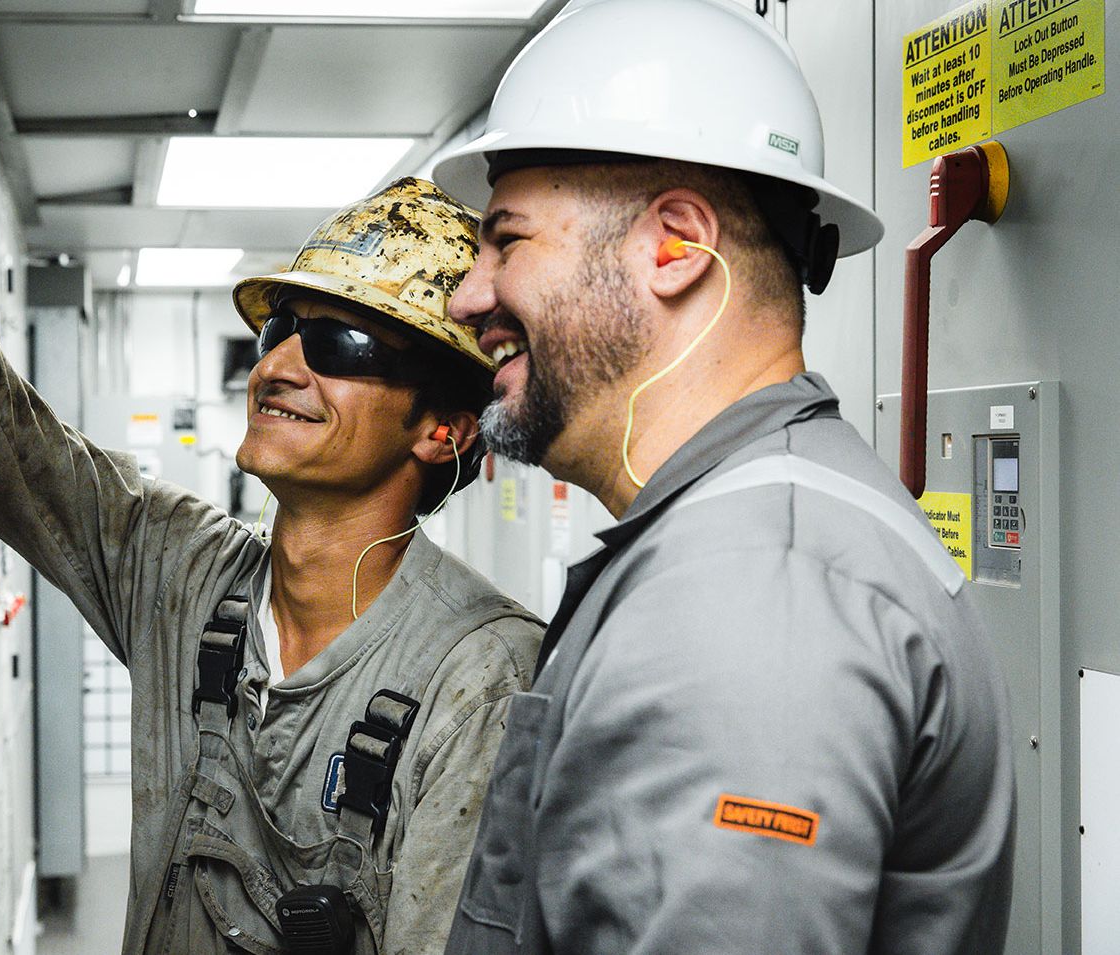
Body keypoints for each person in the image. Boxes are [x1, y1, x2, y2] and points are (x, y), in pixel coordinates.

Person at [0, 3, 544, 952]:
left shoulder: (481, 676)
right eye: (279, 331)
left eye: (341, 342)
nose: (276, 367)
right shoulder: (184, 575)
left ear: (442, 430)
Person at [428, 1, 1015, 952]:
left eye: (507, 239)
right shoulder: (749, 538)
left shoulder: (749, 592)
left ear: (675, 247)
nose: (468, 295)